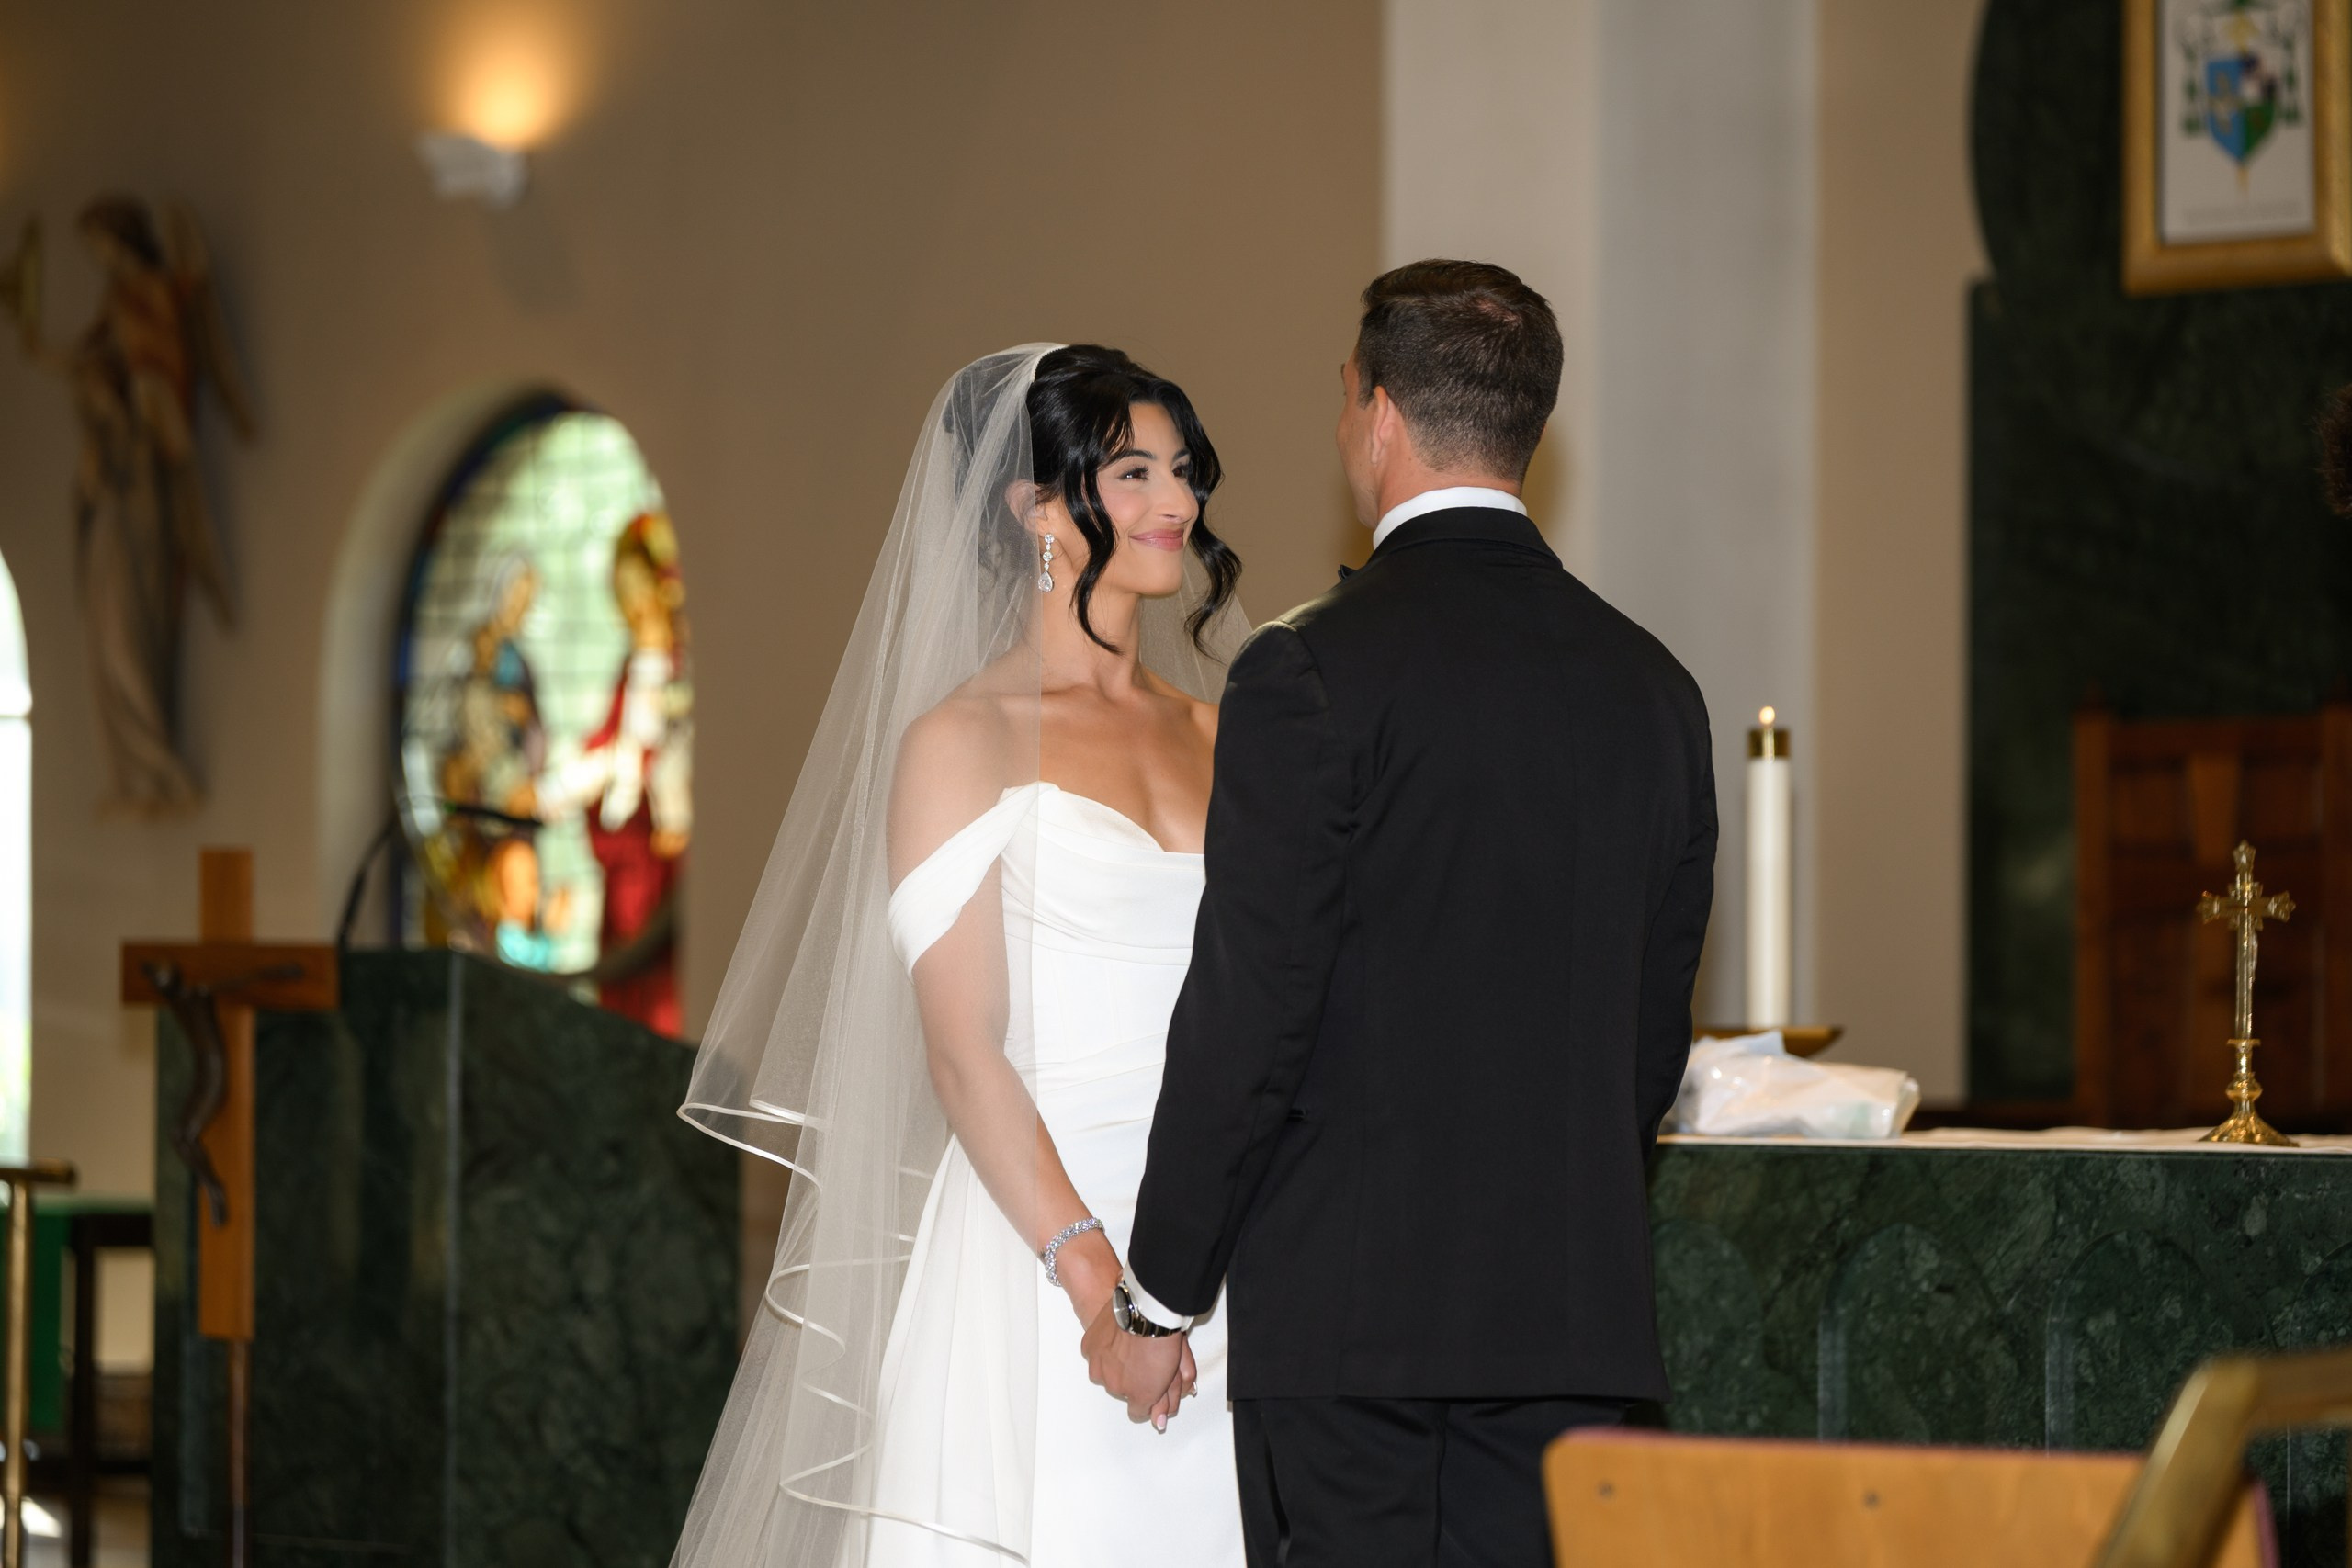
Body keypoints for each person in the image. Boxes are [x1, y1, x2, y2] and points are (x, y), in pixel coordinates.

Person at [1121, 260, 1719, 1568]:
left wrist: (1158, 1287)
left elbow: (1251, 1011)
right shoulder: (1656, 692)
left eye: (1347, 403)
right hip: (1569, 1317)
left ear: (1381, 415)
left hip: (1352, 1327)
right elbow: (1644, 1046)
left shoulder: (1312, 670)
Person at [671, 344, 1250, 1568]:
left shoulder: (1226, 731)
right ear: (1037, 508)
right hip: (1042, 1251)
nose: (1177, 505)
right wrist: (1105, 1290)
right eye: (1133, 471)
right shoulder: (961, 741)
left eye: (1183, 472)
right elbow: (962, 1047)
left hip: (1223, 1243)